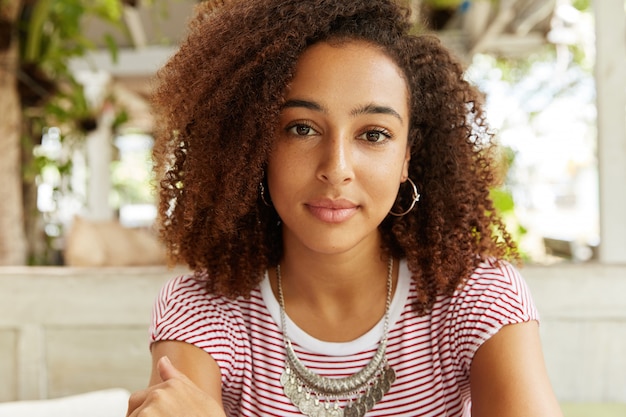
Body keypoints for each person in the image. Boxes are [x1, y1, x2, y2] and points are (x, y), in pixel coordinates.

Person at [126, 0, 563, 416]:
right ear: (256, 146)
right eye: (302, 128)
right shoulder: (203, 309)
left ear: (407, 155)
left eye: (373, 134)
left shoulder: (477, 298)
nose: (336, 169)